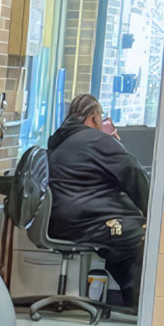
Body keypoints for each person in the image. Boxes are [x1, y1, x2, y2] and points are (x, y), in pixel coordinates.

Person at [47, 93, 149, 307]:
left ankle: (131, 302)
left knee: (124, 238)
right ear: (93, 117)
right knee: (142, 238)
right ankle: (140, 305)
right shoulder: (96, 140)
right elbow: (132, 171)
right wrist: (151, 214)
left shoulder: (62, 139)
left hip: (66, 221)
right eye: (101, 118)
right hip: (87, 222)